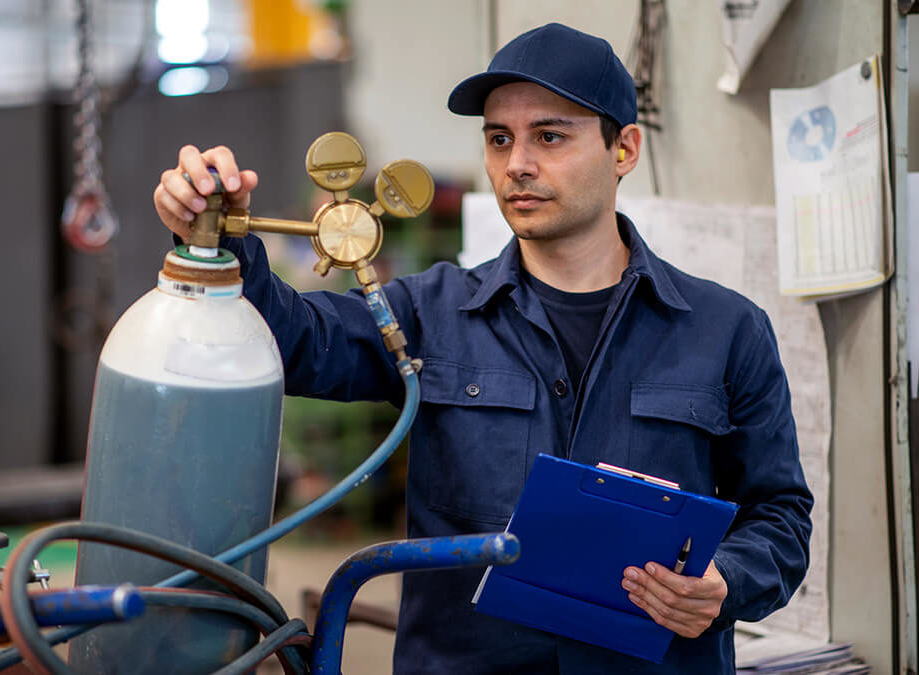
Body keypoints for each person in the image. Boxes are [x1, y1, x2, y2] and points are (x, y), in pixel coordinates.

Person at [154, 22, 812, 674]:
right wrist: (215, 235)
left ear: (625, 148)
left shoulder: (726, 330)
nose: (517, 163)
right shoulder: (426, 315)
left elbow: (780, 516)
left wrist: (724, 579)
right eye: (499, 139)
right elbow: (293, 343)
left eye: (549, 135)